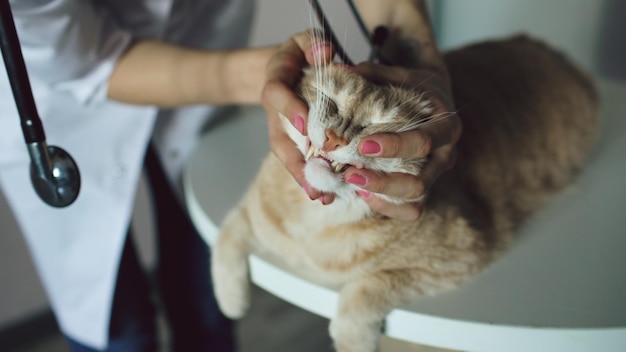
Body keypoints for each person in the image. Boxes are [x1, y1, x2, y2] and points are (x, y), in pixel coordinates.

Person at [0, 0, 460, 351]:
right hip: (56, 105)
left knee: (206, 294)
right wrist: (273, 78)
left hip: (201, 34)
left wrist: (421, 68)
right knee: (117, 326)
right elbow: (93, 64)